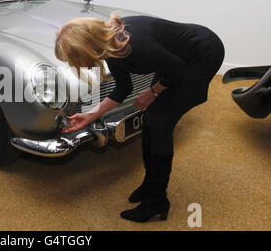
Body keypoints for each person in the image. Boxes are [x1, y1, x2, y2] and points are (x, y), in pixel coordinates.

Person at [55, 13, 224, 222]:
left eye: (77, 58)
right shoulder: (111, 48)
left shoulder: (137, 44)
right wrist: (91, 115)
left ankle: (156, 201)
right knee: (151, 117)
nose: (79, 65)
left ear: (89, 48)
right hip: (174, 61)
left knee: (160, 121)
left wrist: (153, 92)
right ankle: (150, 184)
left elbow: (176, 69)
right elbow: (124, 88)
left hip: (202, 54)